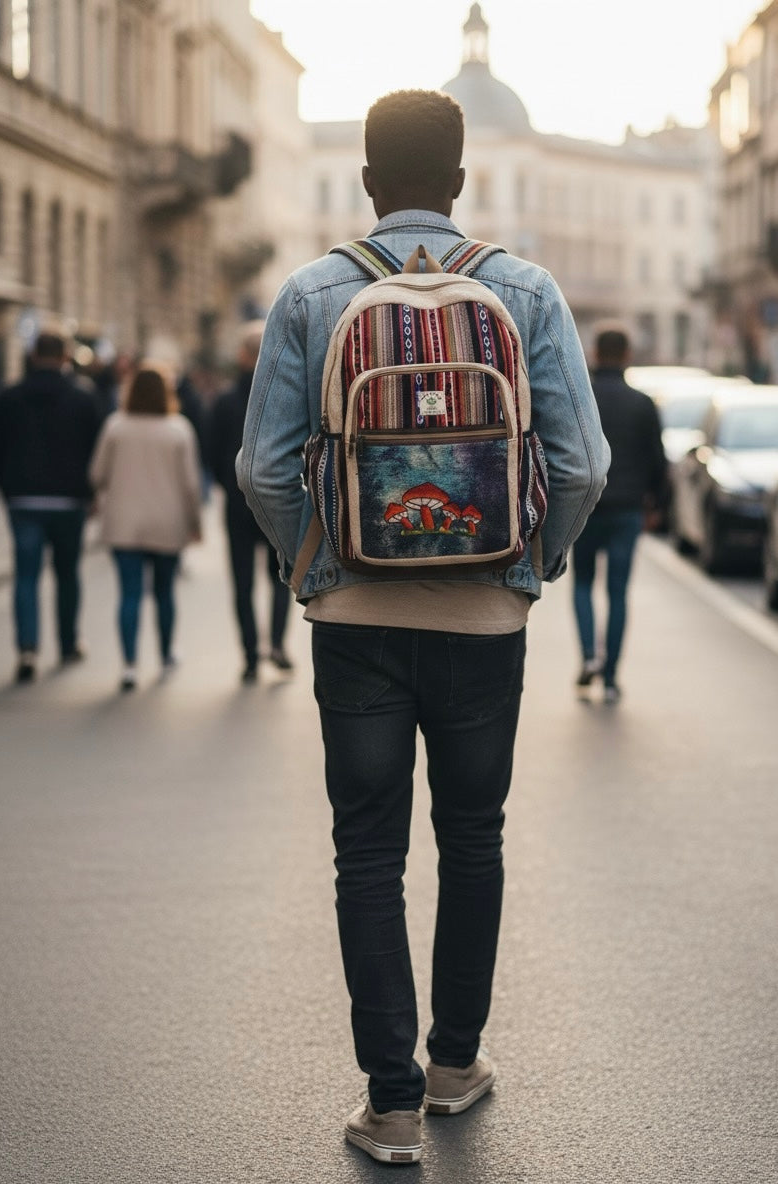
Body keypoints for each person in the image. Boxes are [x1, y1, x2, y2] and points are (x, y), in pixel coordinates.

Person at [236, 89, 609, 1164]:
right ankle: (454, 1063)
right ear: (458, 181)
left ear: (365, 182)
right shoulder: (524, 289)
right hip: (485, 616)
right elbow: (582, 466)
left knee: (367, 851)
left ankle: (390, 1104)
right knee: (474, 837)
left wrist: (314, 564)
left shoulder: (312, 292)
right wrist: (531, 564)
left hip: (354, 614)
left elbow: (262, 469)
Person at [0, 330, 102, 683]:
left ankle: (27, 648)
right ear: (66, 357)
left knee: (26, 576)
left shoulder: (9, 397)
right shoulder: (83, 397)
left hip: (23, 498)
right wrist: (92, 494)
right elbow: (95, 449)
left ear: (33, 355)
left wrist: (7, 489)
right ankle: (68, 643)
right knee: (67, 574)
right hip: (69, 499)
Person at [89, 362, 203, 692]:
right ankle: (165, 655)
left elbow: (97, 474)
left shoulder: (115, 426)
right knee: (165, 593)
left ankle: (129, 665)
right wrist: (195, 524)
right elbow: (191, 485)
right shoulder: (179, 429)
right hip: (167, 523)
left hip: (124, 523)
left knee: (129, 594)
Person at [572, 327, 667, 703]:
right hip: (627, 510)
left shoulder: (582, 399)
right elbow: (658, 462)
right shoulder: (643, 404)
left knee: (582, 584)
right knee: (617, 592)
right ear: (627, 355)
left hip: (587, 507)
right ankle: (611, 677)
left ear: (595, 354)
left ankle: (588, 656)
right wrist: (656, 506)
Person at [208, 323, 292, 682]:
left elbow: (209, 451)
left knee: (242, 583)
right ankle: (277, 645)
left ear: (242, 356)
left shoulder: (225, 400)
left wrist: (229, 485)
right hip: (277, 498)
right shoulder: (282, 397)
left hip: (237, 503)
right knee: (281, 576)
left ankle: (250, 655)